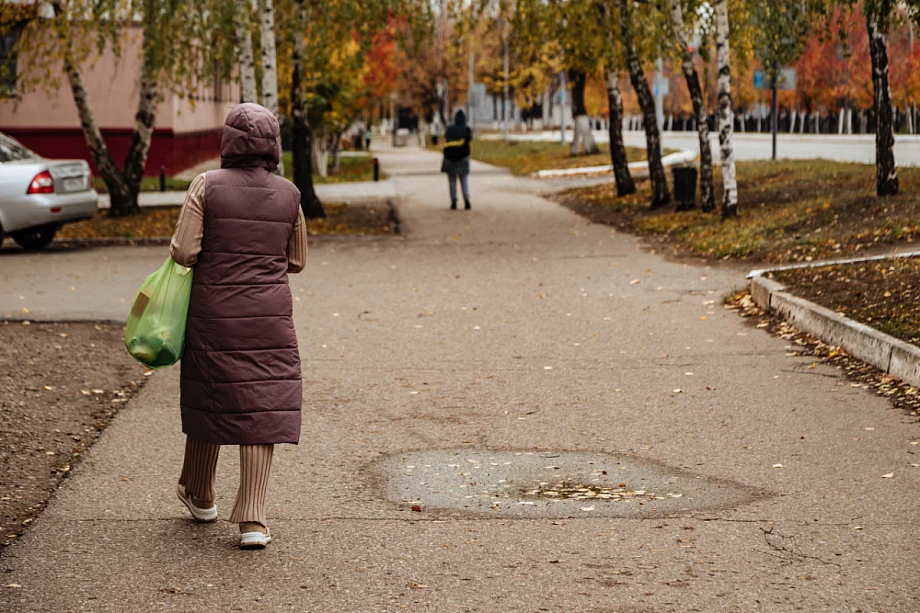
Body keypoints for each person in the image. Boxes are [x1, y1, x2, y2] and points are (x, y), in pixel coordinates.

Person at [169, 103, 307, 550]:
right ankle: (253, 519)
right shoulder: (290, 193)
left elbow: (185, 252)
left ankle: (201, 492)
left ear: (227, 141)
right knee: (261, 407)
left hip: (213, 314)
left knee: (211, 396)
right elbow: (297, 260)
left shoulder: (205, 186)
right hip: (268, 317)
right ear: (273, 144)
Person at [441, 110, 472, 210]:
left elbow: (446, 139)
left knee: (452, 180)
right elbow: (470, 140)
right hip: (463, 157)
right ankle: (466, 200)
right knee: (464, 179)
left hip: (450, 158)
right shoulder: (467, 129)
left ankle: (453, 201)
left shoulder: (449, 129)